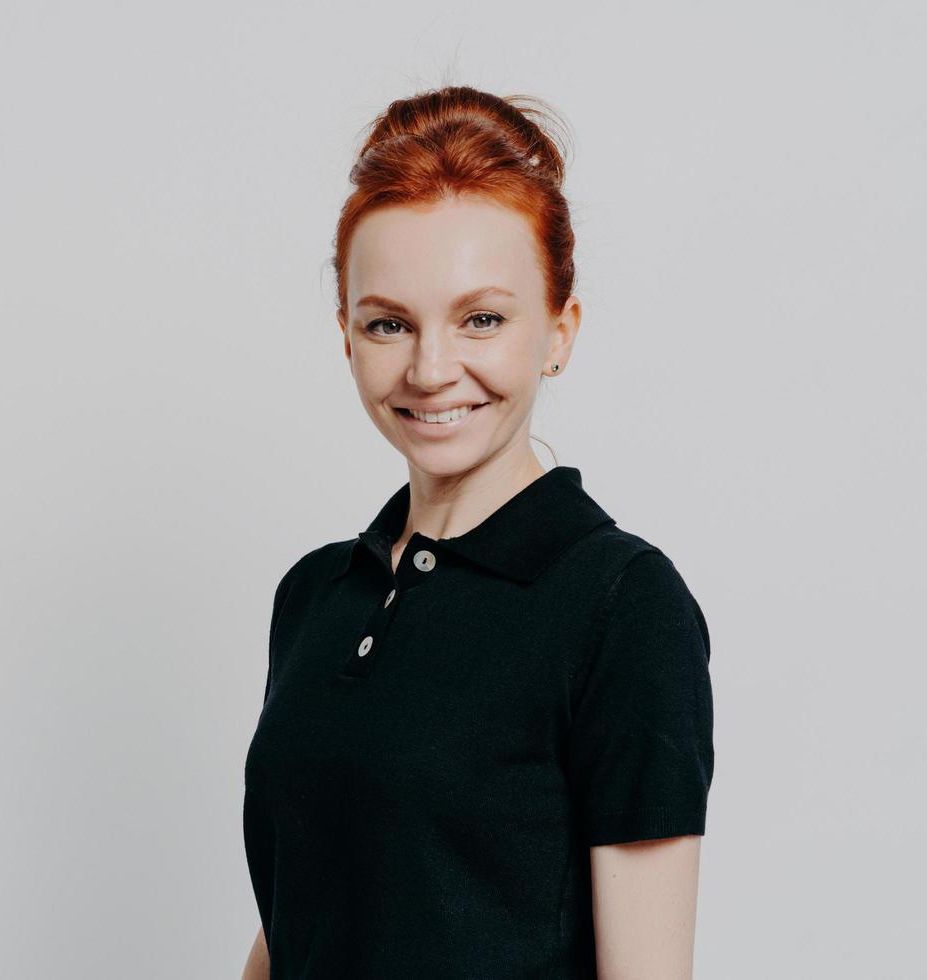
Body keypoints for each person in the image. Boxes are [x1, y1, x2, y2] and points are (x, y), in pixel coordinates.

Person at [240, 87, 715, 979]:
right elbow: (297, 916)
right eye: (389, 323)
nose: (429, 368)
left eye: (482, 319)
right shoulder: (316, 597)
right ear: (347, 337)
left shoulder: (621, 605)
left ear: (558, 333)